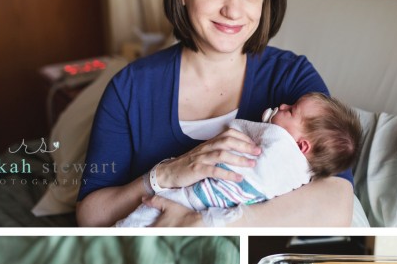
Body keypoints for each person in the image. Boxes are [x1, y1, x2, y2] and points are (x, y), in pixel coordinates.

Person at [77, 0, 354, 227]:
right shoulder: (130, 88)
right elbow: (90, 216)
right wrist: (166, 174)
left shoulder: (291, 77)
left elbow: (336, 205)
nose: (233, 11)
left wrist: (200, 221)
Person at [117, 92, 361, 227]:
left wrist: (265, 119)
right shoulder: (303, 174)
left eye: (291, 110)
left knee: (146, 214)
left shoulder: (279, 142)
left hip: (201, 197)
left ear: (301, 145)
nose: (283, 105)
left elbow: (239, 129)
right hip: (218, 206)